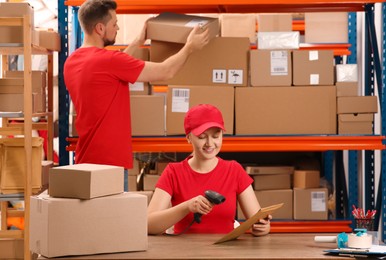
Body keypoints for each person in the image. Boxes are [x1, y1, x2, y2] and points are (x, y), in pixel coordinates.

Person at [63, 0, 210, 191]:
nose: (117, 28)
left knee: (95, 220)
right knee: (115, 221)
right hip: (110, 166)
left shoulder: (73, 61)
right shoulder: (108, 61)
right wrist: (190, 46)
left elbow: (115, 67)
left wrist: (139, 41)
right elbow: (165, 72)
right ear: (100, 28)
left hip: (86, 159)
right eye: (114, 24)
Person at [147, 104, 272, 235]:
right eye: (202, 137)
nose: (210, 143)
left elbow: (256, 222)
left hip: (226, 253)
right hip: (184, 253)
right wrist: (187, 206)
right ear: (189, 138)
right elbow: (149, 225)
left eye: (216, 136)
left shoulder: (234, 170)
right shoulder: (173, 172)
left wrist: (263, 227)